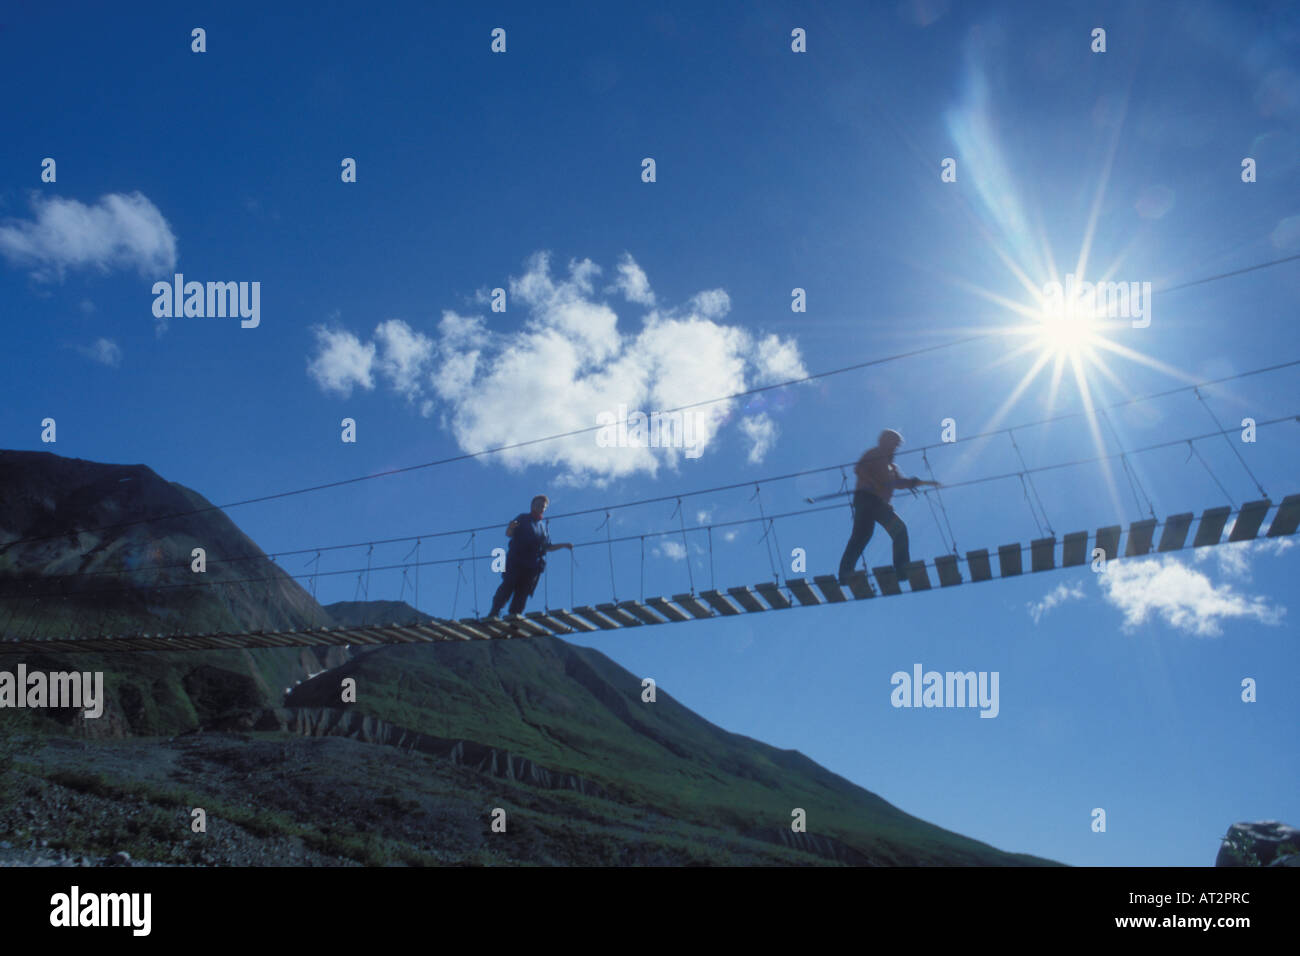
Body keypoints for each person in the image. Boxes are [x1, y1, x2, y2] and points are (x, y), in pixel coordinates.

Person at [837, 429, 939, 583]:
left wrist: (923, 482)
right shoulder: (874, 453)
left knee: (865, 535)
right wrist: (872, 483)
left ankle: (900, 569)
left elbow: (900, 483)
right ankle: (848, 572)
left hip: (876, 501)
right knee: (880, 533)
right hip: (867, 498)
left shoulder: (892, 466)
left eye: (897, 445)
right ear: (885, 441)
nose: (895, 448)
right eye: (894, 444)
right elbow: (860, 469)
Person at [487, 495, 572, 618]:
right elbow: (509, 534)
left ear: (545, 509)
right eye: (538, 504)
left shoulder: (543, 528)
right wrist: (511, 527)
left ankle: (514, 618)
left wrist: (564, 545)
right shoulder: (523, 518)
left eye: (543, 506)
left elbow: (547, 546)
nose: (540, 507)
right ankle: (494, 612)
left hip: (532, 566)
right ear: (532, 505)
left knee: (523, 592)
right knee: (508, 585)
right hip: (516, 561)